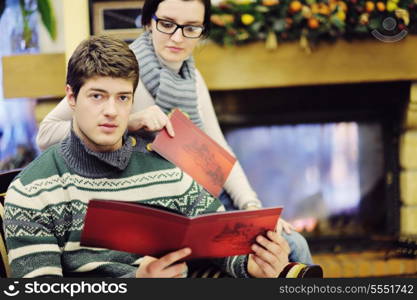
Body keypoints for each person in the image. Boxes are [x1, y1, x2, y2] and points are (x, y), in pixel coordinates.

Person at [35, 0, 312, 264]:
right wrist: (129, 121)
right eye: (167, 24)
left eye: (191, 28)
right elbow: (46, 134)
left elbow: (218, 150)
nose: (177, 38)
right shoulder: (122, 73)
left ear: (202, 31)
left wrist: (252, 208)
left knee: (290, 243)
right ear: (147, 22)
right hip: (163, 212)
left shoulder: (191, 76)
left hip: (203, 198)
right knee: (288, 247)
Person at [4, 35, 291, 278]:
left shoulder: (166, 170)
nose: (112, 112)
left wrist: (251, 264)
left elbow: (220, 239)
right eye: (97, 96)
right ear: (71, 97)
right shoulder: (32, 191)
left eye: (122, 98)